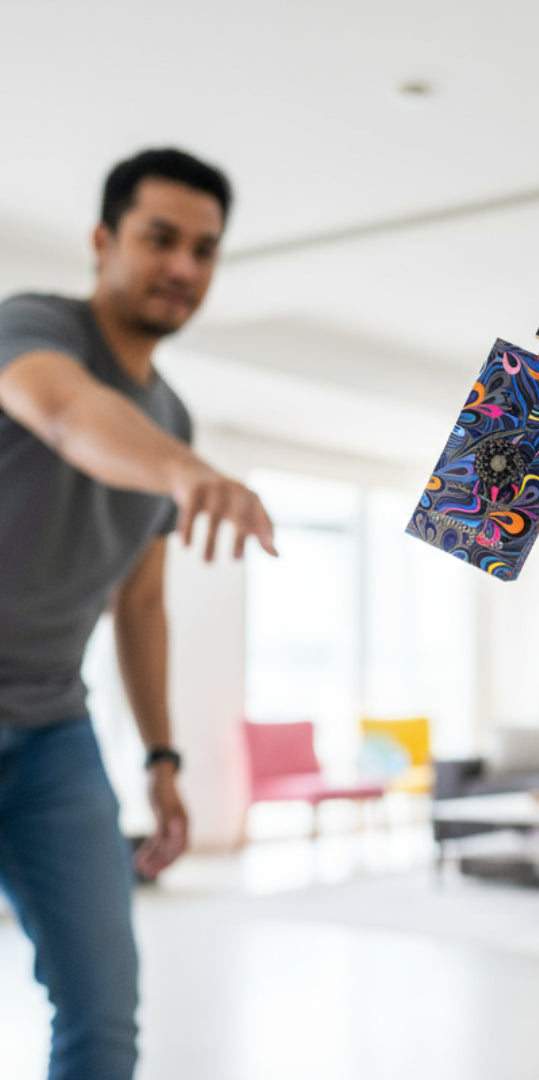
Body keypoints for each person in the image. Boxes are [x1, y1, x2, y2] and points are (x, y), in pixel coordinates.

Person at [0, 147, 276, 1079]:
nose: (183, 267)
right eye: (161, 239)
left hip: (51, 733)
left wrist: (163, 758)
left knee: (103, 1015)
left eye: (204, 249)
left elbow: (143, 600)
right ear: (103, 240)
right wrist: (186, 473)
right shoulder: (32, 328)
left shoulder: (172, 417)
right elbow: (68, 414)